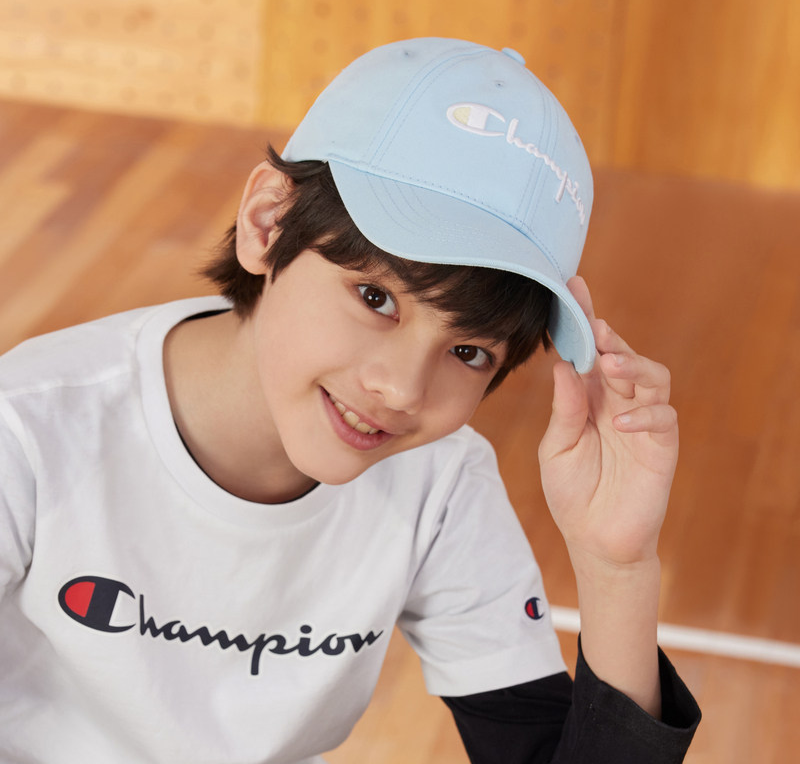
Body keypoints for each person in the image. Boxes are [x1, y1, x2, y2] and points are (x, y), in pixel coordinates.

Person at [0, 38, 700, 762]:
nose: (401, 389)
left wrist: (617, 569)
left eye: (469, 352)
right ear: (267, 223)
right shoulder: (25, 429)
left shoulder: (442, 486)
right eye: (375, 298)